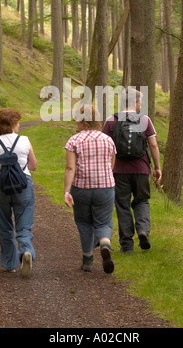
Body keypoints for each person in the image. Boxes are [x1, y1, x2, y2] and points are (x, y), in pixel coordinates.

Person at [102, 88, 162, 253]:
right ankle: (143, 230)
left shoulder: (112, 120)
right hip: (141, 169)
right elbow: (153, 145)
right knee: (141, 201)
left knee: (122, 205)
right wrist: (157, 167)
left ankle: (127, 245)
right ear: (135, 102)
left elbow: (104, 145)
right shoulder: (144, 119)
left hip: (119, 170)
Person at [64, 104, 117, 274]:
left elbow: (70, 168)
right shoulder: (108, 139)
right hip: (106, 187)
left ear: (82, 120)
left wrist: (67, 190)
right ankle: (104, 243)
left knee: (84, 222)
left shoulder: (74, 140)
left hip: (82, 188)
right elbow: (111, 165)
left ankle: (87, 260)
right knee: (104, 221)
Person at [0, 108, 37, 277]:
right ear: (14, 124)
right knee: (24, 222)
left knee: (4, 224)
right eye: (18, 122)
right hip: (23, 185)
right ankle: (25, 251)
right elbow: (33, 165)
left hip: (0, 185)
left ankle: (9, 264)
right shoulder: (25, 140)